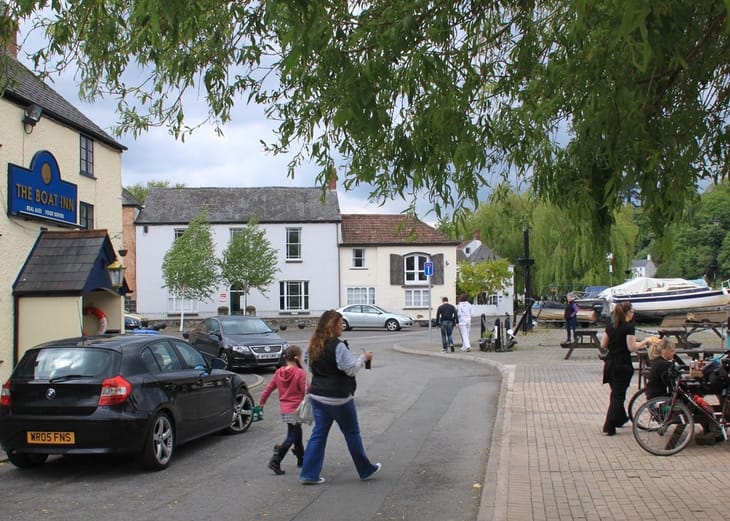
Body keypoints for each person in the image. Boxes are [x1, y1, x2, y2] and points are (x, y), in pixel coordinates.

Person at [299, 310, 381, 485]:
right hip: (339, 397)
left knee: (318, 434)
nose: (342, 327)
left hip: (317, 395)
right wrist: (363, 358)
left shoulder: (313, 344)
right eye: (340, 324)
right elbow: (350, 369)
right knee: (352, 433)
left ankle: (309, 473)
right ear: (333, 326)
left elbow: (307, 363)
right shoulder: (338, 346)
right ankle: (365, 469)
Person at [600, 302, 650, 436]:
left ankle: (620, 418)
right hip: (622, 364)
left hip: (610, 363)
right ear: (628, 312)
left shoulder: (611, 325)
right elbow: (632, 347)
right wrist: (645, 342)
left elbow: (603, 344)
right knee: (618, 395)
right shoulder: (629, 327)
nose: (633, 313)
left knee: (615, 393)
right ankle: (609, 425)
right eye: (632, 310)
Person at [259, 345, 307, 475]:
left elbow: (268, 388)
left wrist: (262, 402)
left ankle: (301, 458)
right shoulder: (300, 373)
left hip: (285, 409)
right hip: (296, 409)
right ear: (297, 357)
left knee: (296, 432)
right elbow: (305, 391)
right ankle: (276, 459)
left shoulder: (279, 372)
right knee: (292, 435)